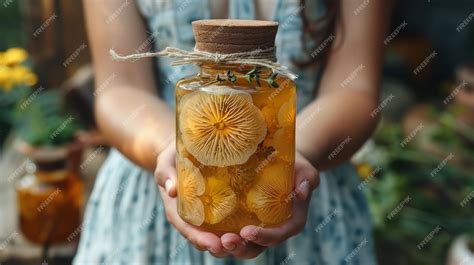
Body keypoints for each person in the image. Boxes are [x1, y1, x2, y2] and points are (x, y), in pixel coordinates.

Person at [75, 0, 391, 264]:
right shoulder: (190, 91)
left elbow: (356, 88)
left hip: (304, 181)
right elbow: (119, 87)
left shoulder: (278, 91)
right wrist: (172, 149)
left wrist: (296, 156)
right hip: (156, 189)